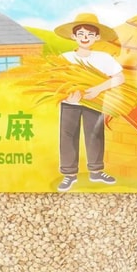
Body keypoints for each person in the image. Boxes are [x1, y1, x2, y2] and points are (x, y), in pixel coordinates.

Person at [53, 12, 125, 192]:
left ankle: (96, 171)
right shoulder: (65, 57)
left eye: (90, 34)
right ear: (73, 36)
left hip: (95, 102)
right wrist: (66, 96)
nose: (85, 37)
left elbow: (120, 78)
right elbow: (54, 81)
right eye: (81, 34)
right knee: (67, 136)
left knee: (95, 135)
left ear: (97, 37)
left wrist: (98, 89)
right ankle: (69, 174)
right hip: (70, 104)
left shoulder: (104, 58)